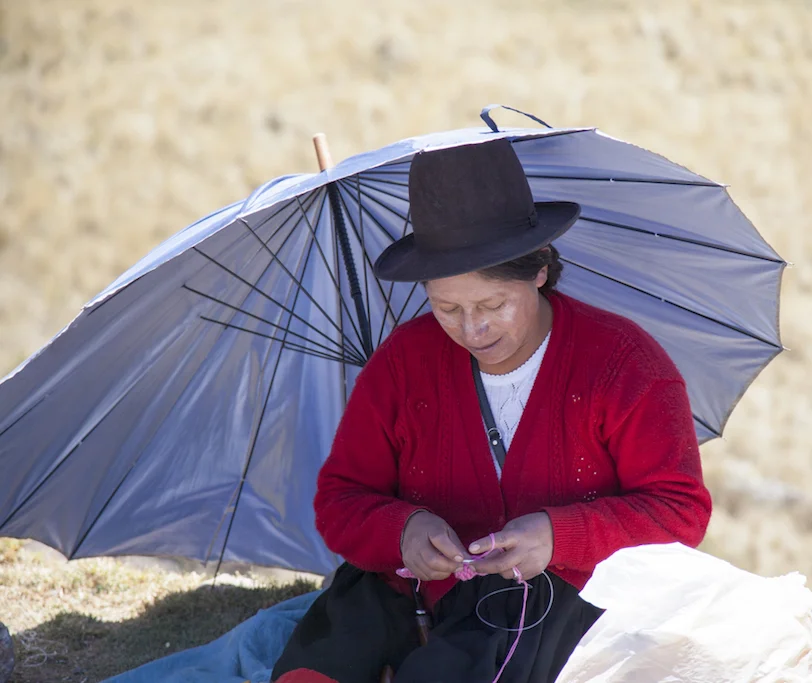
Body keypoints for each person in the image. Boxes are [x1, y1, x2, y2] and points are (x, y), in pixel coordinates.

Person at [272, 138, 712, 683]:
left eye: (492, 305)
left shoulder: (625, 365)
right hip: (403, 593)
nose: (471, 330)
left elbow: (679, 512)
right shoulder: (402, 361)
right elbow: (340, 499)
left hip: (543, 603)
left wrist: (559, 536)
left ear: (539, 272)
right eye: (446, 308)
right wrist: (403, 530)